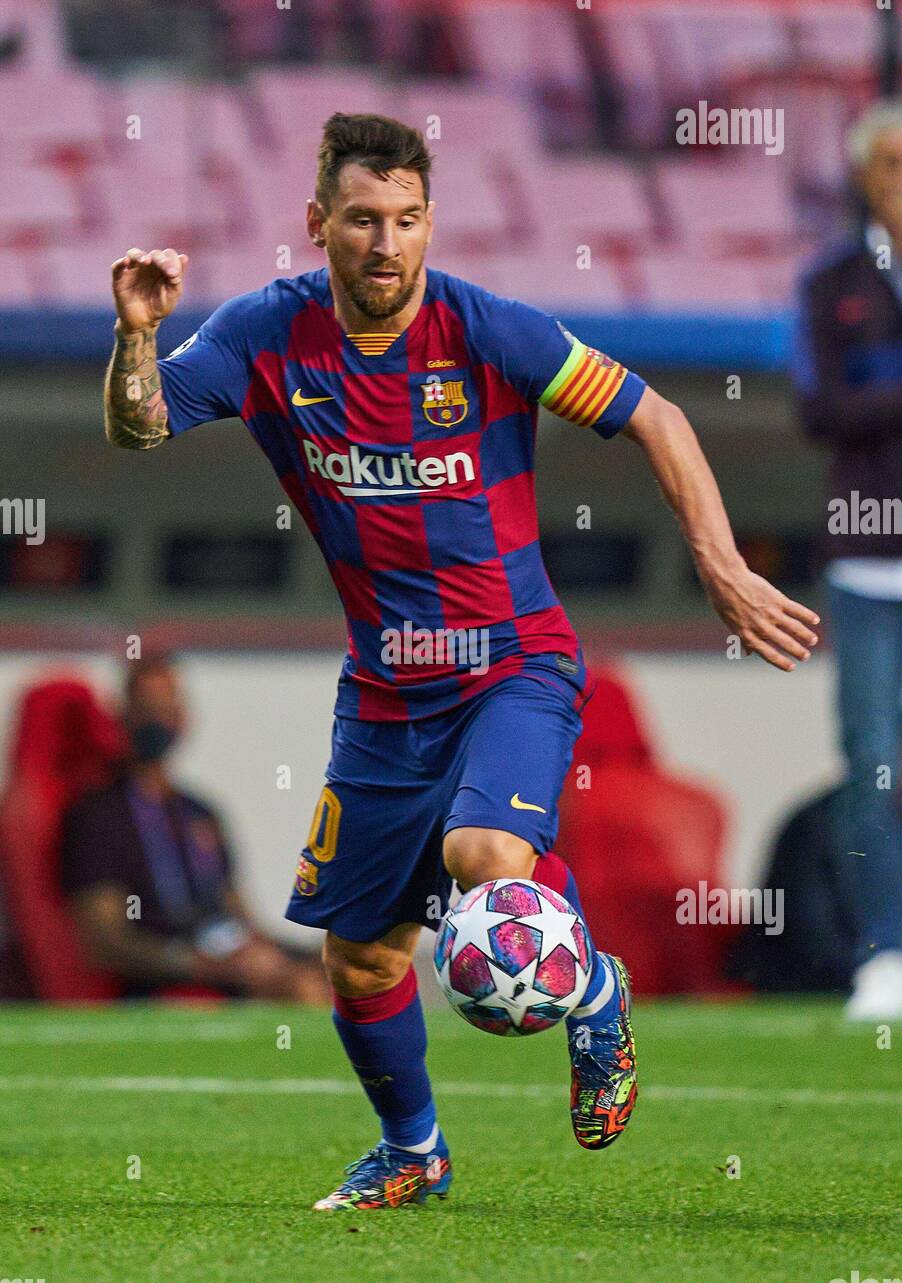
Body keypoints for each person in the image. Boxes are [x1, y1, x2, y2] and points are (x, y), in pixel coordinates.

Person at [104, 113, 819, 1210]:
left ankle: (592, 996)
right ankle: (414, 1151)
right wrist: (138, 334)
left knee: (487, 849)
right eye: (360, 221)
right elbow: (139, 428)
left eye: (405, 220)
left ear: (429, 221)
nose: (385, 244)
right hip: (385, 693)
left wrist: (719, 566)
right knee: (361, 959)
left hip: (513, 662)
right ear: (318, 225)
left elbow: (658, 416)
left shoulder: (487, 331)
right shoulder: (264, 338)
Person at [796, 100, 902, 1022]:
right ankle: (884, 951)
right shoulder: (834, 283)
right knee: (872, 762)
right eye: (894, 164)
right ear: (866, 175)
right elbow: (821, 408)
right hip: (870, 563)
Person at [62, 652, 327, 1003]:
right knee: (302, 992)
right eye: (147, 706)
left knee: (347, 973)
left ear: (184, 716)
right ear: (123, 715)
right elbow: (105, 941)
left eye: (168, 705)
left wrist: (304, 953)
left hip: (230, 958)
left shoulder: (200, 813)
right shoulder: (98, 816)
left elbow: (240, 916)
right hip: (164, 979)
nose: (159, 718)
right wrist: (202, 965)